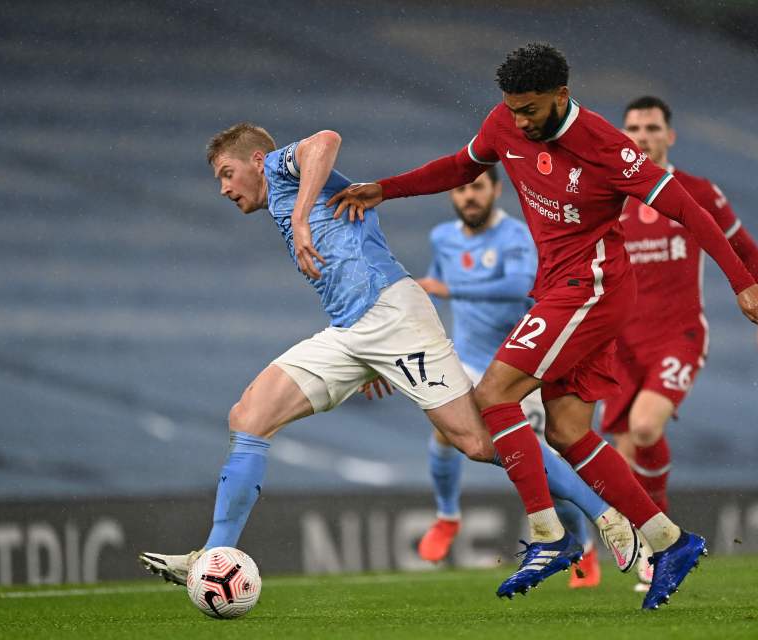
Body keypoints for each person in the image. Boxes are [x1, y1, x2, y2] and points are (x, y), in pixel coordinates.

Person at [329, 42, 758, 609]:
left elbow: (688, 209)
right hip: (560, 288)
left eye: (531, 109)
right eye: (513, 109)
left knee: (493, 395)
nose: (519, 120)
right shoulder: (504, 122)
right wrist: (387, 188)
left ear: (561, 96)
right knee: (567, 431)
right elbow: (461, 164)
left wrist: (743, 282)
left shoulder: (605, 145)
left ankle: (550, 533)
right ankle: (670, 541)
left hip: (593, 286)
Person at [138, 123, 638, 597]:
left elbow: (325, 140)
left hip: (393, 315)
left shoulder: (280, 168)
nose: (224, 188)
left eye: (227, 173)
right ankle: (216, 552)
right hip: (352, 331)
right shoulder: (282, 196)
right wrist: (369, 361)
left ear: (256, 159)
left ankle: (608, 518)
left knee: (479, 442)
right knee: (248, 416)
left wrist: (299, 213)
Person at [604, 96, 758, 589]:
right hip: (619, 343)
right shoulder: (610, 196)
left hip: (677, 334)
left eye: (652, 127)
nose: (642, 135)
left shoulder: (696, 192)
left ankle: (666, 542)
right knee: (618, 460)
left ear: (670, 136)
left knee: (644, 428)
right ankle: (654, 551)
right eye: (634, 128)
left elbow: (744, 248)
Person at [411, 167, 613, 587]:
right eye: (461, 188)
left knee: (543, 465)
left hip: (518, 368)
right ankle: (447, 517)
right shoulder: (442, 238)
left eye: (477, 187)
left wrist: (454, 290)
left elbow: (521, 285)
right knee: (444, 434)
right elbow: (433, 285)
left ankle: (585, 547)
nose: (469, 196)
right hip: (466, 362)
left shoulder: (517, 236)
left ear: (496, 190)